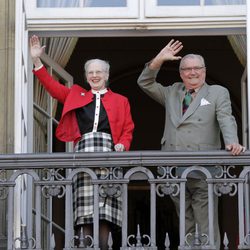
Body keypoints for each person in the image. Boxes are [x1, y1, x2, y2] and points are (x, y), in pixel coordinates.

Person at [137, 39, 245, 250]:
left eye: (197, 68)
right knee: (184, 221)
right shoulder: (172, 92)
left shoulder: (217, 92)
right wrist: (158, 60)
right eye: (187, 69)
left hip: (203, 168)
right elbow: (145, 83)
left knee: (205, 221)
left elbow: (226, 118)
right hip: (174, 167)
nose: (192, 72)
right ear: (180, 73)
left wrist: (232, 142)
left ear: (204, 71)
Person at [30, 35, 134, 249]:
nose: (95, 75)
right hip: (84, 155)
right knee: (85, 215)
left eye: (99, 72)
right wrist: (37, 61)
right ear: (86, 76)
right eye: (91, 72)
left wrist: (123, 144)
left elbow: (127, 129)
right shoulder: (76, 94)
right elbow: (52, 86)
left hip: (109, 156)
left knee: (105, 215)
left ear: (106, 75)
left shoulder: (121, 100)